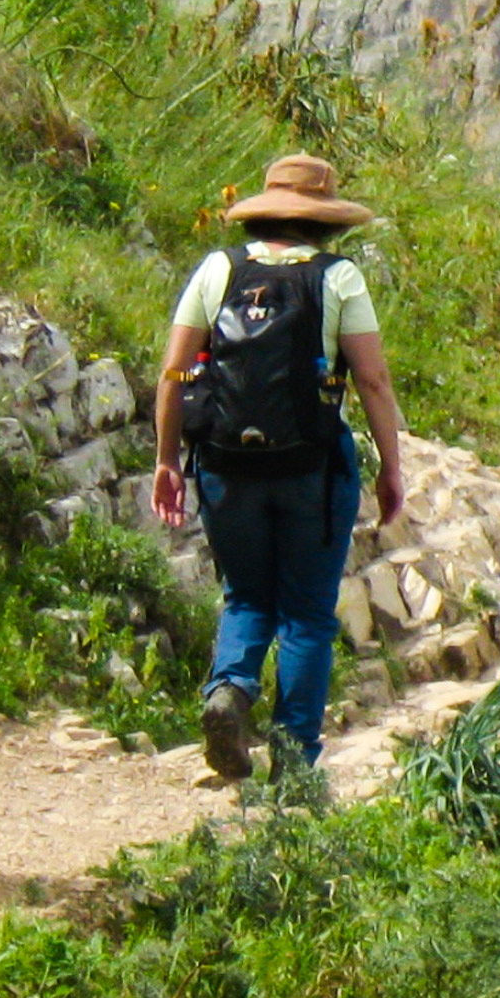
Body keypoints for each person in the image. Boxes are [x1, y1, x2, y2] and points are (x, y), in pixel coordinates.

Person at [152, 154, 406, 778]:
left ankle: (229, 691)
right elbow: (371, 380)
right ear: (324, 220)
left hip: (224, 461)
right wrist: (391, 467)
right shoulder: (339, 277)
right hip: (311, 467)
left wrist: (167, 461)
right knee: (307, 613)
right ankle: (294, 760)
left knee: (245, 596)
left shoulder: (219, 269)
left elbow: (174, 372)